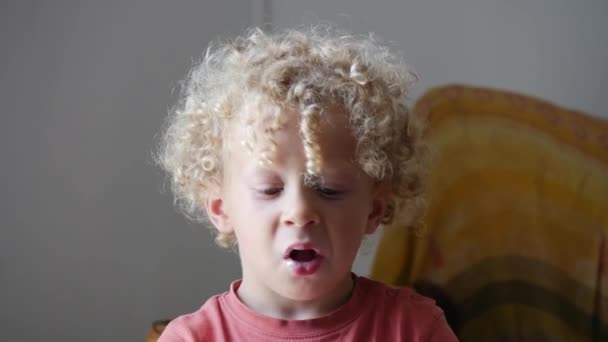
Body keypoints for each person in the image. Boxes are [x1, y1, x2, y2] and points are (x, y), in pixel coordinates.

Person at [155, 25, 458, 341]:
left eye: (328, 189)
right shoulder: (192, 338)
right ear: (221, 209)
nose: (299, 212)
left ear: (374, 210)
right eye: (270, 190)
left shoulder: (413, 328)